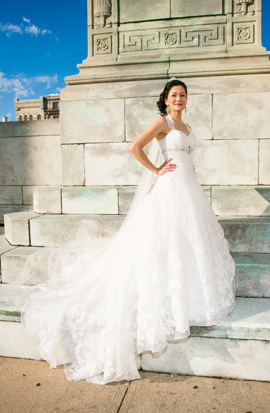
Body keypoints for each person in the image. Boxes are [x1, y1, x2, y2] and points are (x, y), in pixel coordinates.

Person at [20, 79, 236, 385]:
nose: (179, 98)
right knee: (168, 244)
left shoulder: (186, 127)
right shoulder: (161, 123)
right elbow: (135, 147)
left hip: (190, 189)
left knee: (190, 243)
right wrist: (157, 169)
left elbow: (186, 155)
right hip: (170, 190)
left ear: (187, 100)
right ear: (166, 99)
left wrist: (190, 169)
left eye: (183, 95)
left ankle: (190, 300)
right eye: (174, 95)